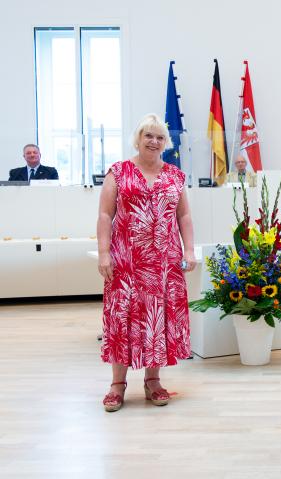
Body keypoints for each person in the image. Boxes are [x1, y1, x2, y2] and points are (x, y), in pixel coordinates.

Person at [97, 114, 197, 412]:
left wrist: (188, 250)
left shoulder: (175, 176)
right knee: (121, 318)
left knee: (156, 318)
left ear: (166, 142)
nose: (154, 142)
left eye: (159, 137)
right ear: (138, 139)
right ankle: (118, 384)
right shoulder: (119, 172)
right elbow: (105, 215)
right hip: (125, 262)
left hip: (164, 263)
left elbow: (184, 216)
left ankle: (153, 380)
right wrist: (103, 253)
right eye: (148, 136)